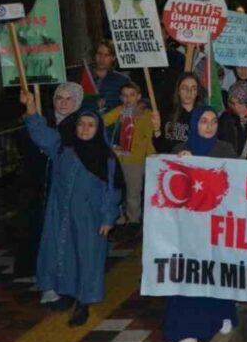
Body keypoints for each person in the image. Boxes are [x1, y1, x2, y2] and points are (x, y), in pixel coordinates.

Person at [21, 90, 120, 327]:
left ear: (98, 129)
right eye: (81, 125)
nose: (85, 129)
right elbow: (42, 135)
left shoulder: (104, 157)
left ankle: (84, 302)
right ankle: (67, 292)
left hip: (90, 217)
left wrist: (108, 218)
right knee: (63, 252)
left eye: (90, 125)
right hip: (61, 213)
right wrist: (31, 108)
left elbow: (112, 191)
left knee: (87, 258)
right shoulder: (63, 149)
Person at [162, 107, 239, 342]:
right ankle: (188, 332)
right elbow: (168, 187)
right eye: (203, 121)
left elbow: (236, 183)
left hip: (216, 225)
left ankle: (224, 315)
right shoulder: (180, 151)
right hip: (188, 229)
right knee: (189, 275)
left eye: (213, 121)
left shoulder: (225, 149)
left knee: (216, 271)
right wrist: (179, 165)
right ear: (194, 124)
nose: (208, 126)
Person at [15, 83, 84, 284]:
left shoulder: (82, 125)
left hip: (65, 188)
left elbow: (51, 143)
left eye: (68, 98)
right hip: (38, 183)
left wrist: (32, 113)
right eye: (59, 98)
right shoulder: (48, 119)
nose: (63, 103)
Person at [102, 82, 154, 226]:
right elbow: (102, 121)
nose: (128, 99)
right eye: (124, 95)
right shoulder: (120, 110)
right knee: (117, 190)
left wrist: (150, 158)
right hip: (119, 158)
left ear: (139, 96)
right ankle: (118, 220)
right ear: (120, 97)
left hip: (136, 160)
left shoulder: (146, 114)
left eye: (132, 95)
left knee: (133, 193)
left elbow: (149, 137)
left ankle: (133, 222)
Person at [154, 72, 202, 152]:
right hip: (168, 161)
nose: (189, 92)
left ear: (197, 92)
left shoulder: (203, 116)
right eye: (184, 88)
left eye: (193, 88)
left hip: (192, 162)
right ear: (178, 91)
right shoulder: (168, 114)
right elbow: (160, 147)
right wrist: (156, 129)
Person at [84, 39, 130, 111]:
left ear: (113, 57)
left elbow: (130, 103)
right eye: (99, 54)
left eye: (106, 55)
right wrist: (94, 105)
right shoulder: (84, 76)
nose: (102, 59)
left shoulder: (122, 80)